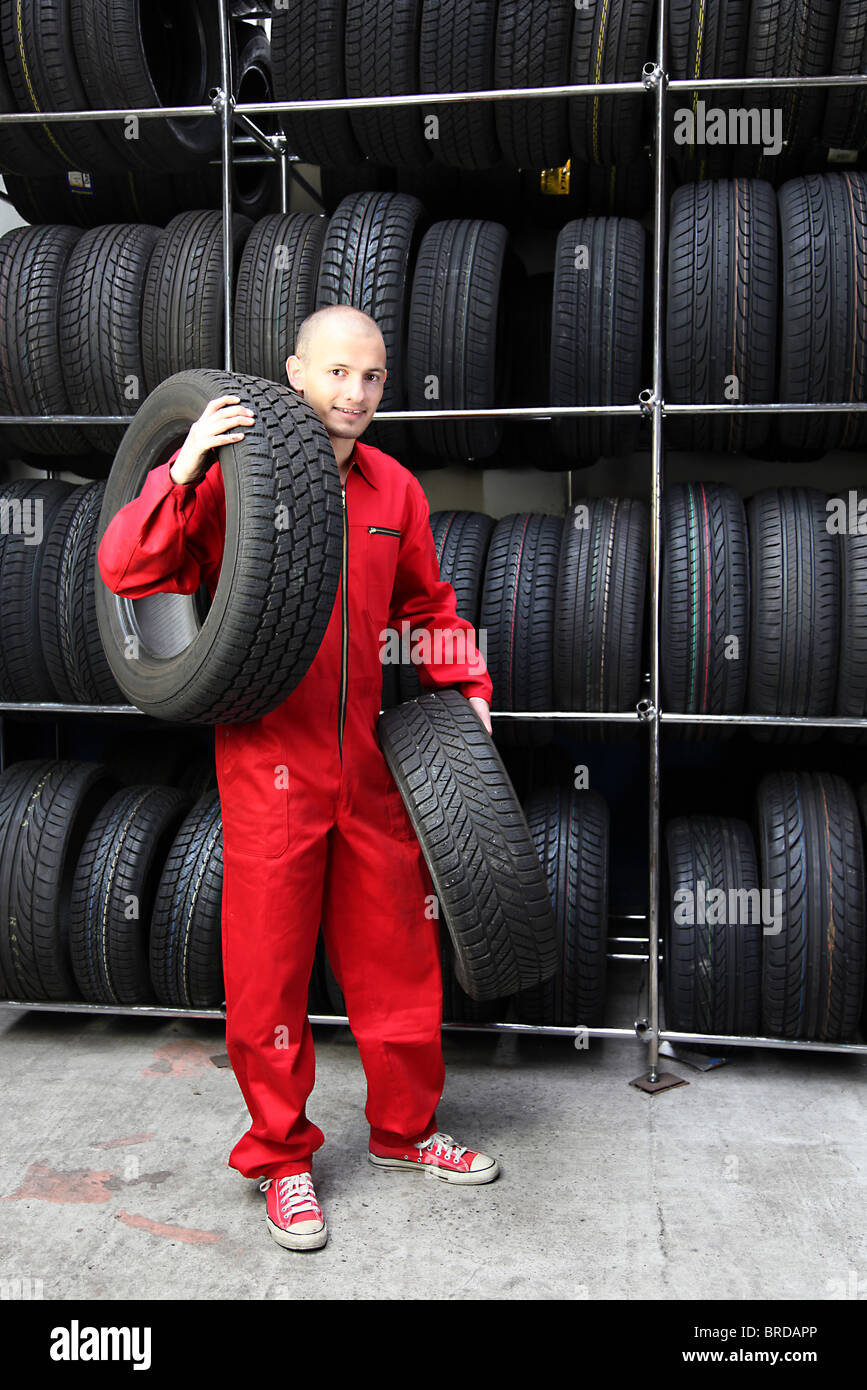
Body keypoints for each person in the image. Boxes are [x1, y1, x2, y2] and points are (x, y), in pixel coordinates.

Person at [97, 304, 500, 1253]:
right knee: (269, 979)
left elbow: (426, 604)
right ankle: (281, 1160)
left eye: (370, 379)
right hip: (266, 763)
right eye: (333, 375)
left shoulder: (394, 489)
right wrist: (184, 464)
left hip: (368, 764)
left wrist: (464, 685)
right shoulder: (238, 474)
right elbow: (128, 567)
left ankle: (405, 1133)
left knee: (396, 962)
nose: (351, 395)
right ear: (293, 372)